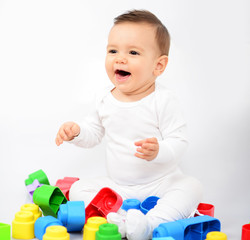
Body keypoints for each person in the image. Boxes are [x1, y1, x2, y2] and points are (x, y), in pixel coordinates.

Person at [55, 9, 203, 240]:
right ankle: (122, 218)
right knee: (78, 189)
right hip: (119, 187)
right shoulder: (104, 98)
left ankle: (152, 223)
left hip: (160, 183)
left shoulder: (163, 100)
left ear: (159, 66)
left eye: (133, 52)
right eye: (113, 50)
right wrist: (76, 132)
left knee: (192, 186)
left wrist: (159, 151)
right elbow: (93, 133)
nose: (119, 58)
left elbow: (179, 141)